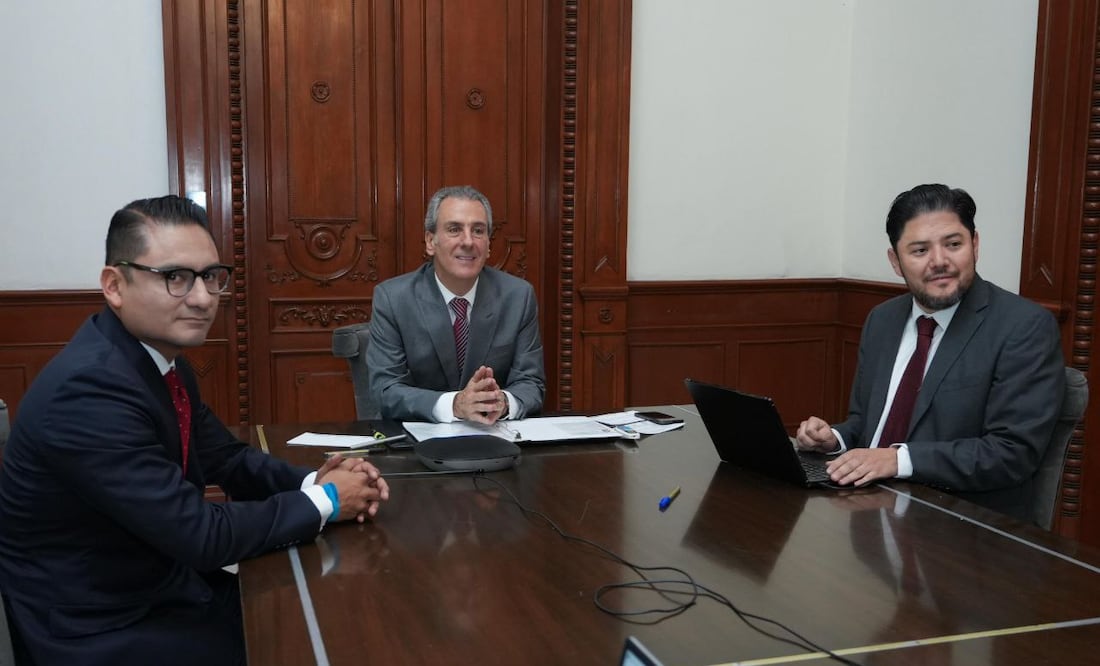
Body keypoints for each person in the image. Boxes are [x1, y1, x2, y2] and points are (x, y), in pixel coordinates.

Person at [0, 196, 390, 665]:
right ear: (114, 285)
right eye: (175, 278)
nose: (204, 298)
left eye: (210, 276)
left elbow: (227, 457)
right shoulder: (88, 392)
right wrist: (327, 500)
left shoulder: (161, 363)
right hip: (99, 625)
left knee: (336, 612)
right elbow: (199, 535)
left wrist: (317, 480)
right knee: (315, 640)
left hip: (160, 586)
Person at [795, 184, 1065, 523]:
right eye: (920, 250)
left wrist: (897, 460)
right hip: (868, 519)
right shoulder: (882, 320)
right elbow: (868, 425)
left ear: (975, 244)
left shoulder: (1023, 327)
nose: (940, 262)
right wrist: (832, 440)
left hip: (961, 529)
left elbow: (1012, 454)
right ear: (895, 261)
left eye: (954, 244)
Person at [367, 185, 546, 424]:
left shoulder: (518, 296)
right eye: (454, 229)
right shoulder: (393, 298)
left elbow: (531, 384)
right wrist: (455, 405)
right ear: (431, 241)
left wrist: (502, 402)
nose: (468, 241)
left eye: (478, 231)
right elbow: (385, 389)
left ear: (489, 245)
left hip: (493, 438)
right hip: (417, 444)